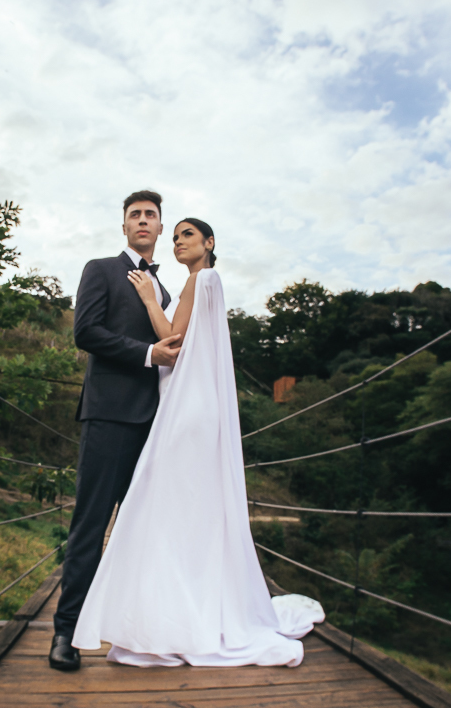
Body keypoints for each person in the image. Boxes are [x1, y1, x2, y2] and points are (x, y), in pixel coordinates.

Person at [72, 216, 325, 667]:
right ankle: (192, 600)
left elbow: (173, 337)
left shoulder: (198, 279)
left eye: (187, 235)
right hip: (196, 406)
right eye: (176, 238)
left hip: (186, 410)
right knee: (188, 505)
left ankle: (176, 609)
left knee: (166, 504)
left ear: (209, 242)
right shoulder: (206, 283)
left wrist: (149, 298)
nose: (178, 243)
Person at [49, 190, 180, 671]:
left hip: (157, 423)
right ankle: (66, 633)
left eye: (151, 215)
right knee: (90, 524)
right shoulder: (99, 269)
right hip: (108, 416)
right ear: (123, 227)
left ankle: (134, 630)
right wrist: (149, 354)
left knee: (144, 530)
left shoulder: (164, 292)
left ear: (160, 229)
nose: (143, 221)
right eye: (135, 215)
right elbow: (85, 332)